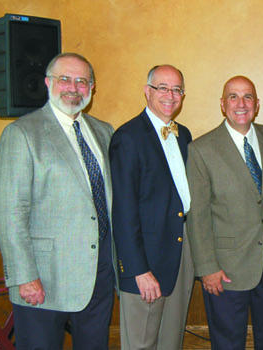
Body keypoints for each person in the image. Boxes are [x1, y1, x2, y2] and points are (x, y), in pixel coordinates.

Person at [0, 52, 116, 349]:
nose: (73, 87)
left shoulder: (104, 132)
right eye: (64, 79)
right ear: (48, 83)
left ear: (92, 87)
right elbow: (9, 212)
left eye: (81, 81)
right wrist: (24, 276)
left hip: (99, 274)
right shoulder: (22, 133)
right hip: (45, 278)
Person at [186, 75, 263, 350]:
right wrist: (207, 268)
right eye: (233, 96)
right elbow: (198, 214)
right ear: (222, 104)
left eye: (248, 97)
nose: (241, 103)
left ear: (257, 104)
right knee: (228, 342)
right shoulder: (201, 149)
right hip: (225, 269)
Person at [109, 65, 194, 350]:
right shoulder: (128, 138)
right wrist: (138, 269)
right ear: (147, 91)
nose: (170, 95)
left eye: (177, 89)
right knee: (142, 344)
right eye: (162, 88)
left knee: (172, 341)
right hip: (146, 261)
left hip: (181, 253)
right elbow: (122, 211)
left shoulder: (183, 135)